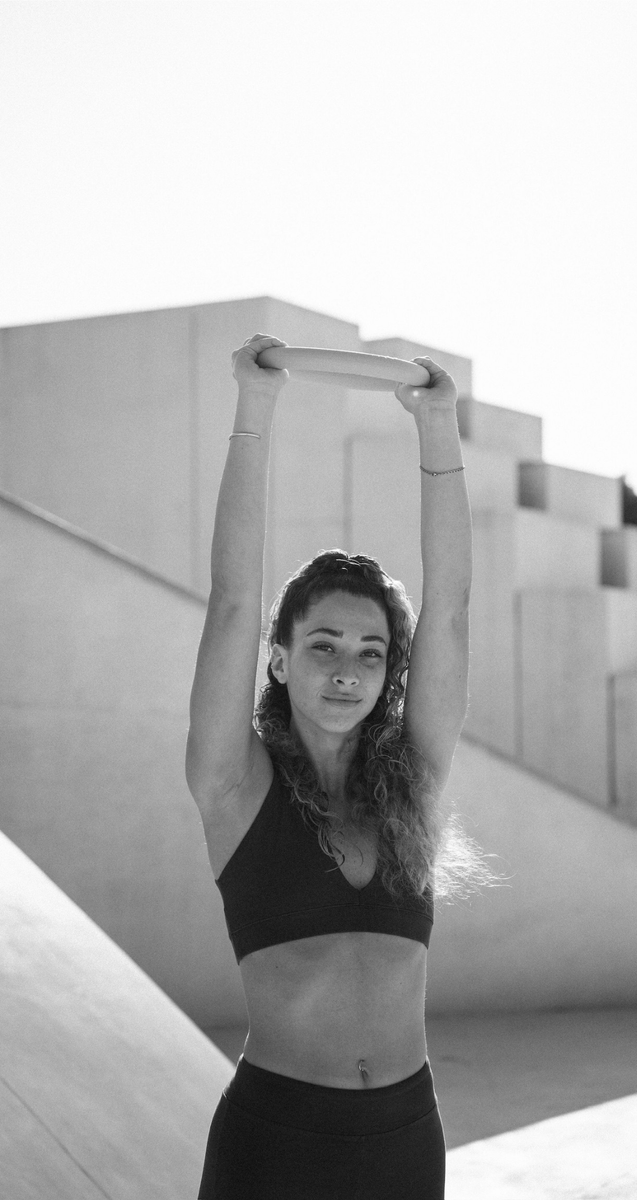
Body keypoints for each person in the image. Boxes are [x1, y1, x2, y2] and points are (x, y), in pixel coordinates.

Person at [186, 333, 480, 1199]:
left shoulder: (413, 782)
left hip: (405, 1140)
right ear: (278, 659)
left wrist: (437, 425)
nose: (348, 669)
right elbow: (232, 600)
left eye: (371, 652)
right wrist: (255, 405)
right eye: (322, 645)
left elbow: (450, 609)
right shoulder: (234, 786)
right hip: (276, 1146)